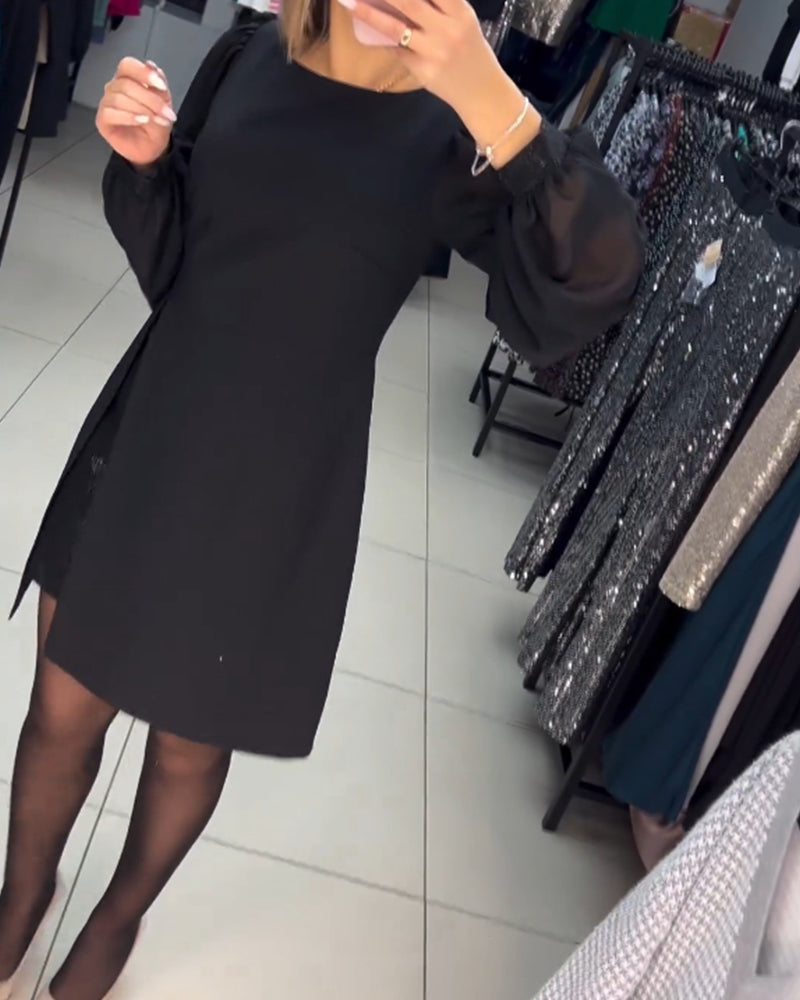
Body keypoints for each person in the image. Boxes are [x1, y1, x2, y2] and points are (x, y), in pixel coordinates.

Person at [0, 1, 644, 997]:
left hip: (281, 481)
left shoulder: (452, 134)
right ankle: (20, 897)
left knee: (186, 743)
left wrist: (495, 102)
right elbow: (176, 264)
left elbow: (596, 278)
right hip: (152, 429)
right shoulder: (247, 53)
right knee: (59, 705)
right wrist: (145, 163)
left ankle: (119, 917)